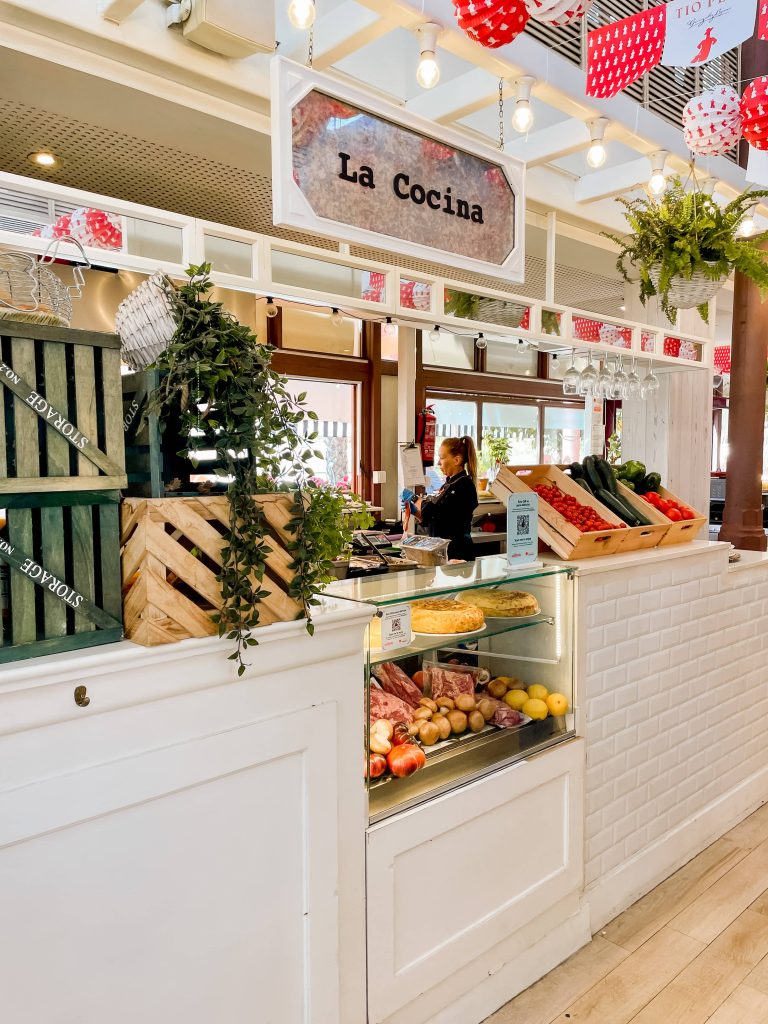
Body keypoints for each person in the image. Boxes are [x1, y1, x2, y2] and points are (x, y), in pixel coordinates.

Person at [415, 436, 479, 561]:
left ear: (457, 460)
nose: (438, 463)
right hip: (443, 550)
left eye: (442, 458)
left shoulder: (464, 486)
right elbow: (432, 518)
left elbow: (434, 512)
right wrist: (414, 511)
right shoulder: (449, 484)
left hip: (457, 552)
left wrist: (415, 500)